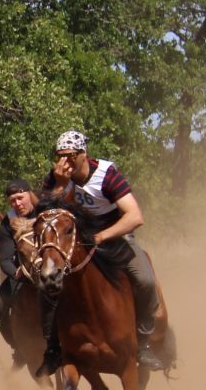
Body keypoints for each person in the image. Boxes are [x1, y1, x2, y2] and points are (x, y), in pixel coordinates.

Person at [39, 129, 172, 372]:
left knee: (145, 281)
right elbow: (45, 214)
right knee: (48, 283)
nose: (64, 161)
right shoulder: (56, 177)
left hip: (113, 235)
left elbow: (134, 216)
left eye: (70, 155)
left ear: (83, 154)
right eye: (60, 155)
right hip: (74, 242)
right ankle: (54, 348)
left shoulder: (106, 174)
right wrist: (59, 186)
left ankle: (144, 343)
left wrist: (101, 236)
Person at [0, 179, 39, 357]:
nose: (17, 204)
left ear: (29, 194)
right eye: (12, 201)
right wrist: (16, 273)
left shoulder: (46, 210)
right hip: (24, 273)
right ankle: (18, 347)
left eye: (20, 198)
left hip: (52, 267)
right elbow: (5, 260)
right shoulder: (8, 222)